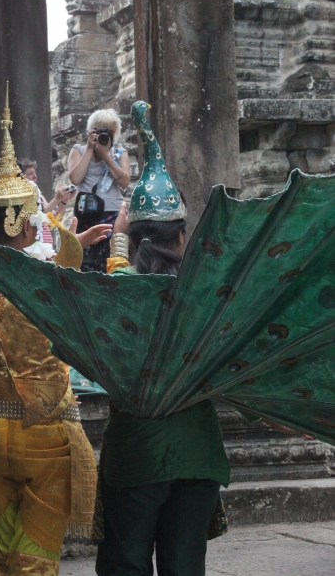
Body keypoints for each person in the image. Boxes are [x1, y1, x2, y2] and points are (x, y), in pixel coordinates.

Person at [0, 99, 98, 576]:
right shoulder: (47, 287)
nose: (38, 221)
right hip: (46, 438)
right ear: (16, 222)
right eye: (32, 213)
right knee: (36, 559)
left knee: (6, 550)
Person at [95, 104, 229, 576]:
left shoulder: (118, 294)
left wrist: (116, 238)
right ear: (182, 235)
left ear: (135, 237)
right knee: (185, 567)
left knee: (127, 563)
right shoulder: (211, 295)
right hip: (196, 451)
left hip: (137, 451)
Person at [68, 109, 130, 272]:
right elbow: (75, 179)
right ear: (92, 130)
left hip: (112, 215)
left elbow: (124, 182)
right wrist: (89, 149)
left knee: (112, 263)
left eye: (109, 131)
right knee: (85, 264)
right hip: (86, 214)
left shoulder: (120, 153)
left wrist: (106, 156)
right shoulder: (78, 150)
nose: (105, 135)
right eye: (101, 130)